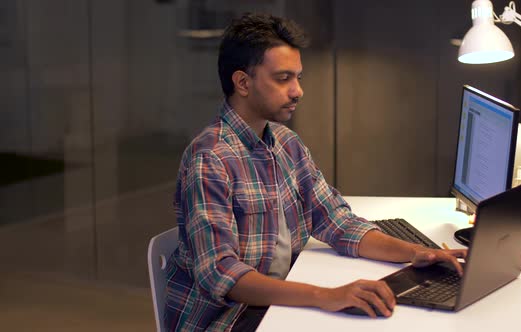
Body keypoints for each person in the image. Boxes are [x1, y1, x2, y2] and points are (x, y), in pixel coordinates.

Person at [164, 13, 467, 332]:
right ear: (242, 83)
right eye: (283, 78)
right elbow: (223, 275)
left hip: (275, 300)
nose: (298, 91)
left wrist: (416, 253)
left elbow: (337, 222)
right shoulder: (210, 158)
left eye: (298, 77)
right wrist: (326, 296)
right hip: (228, 318)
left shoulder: (285, 142)